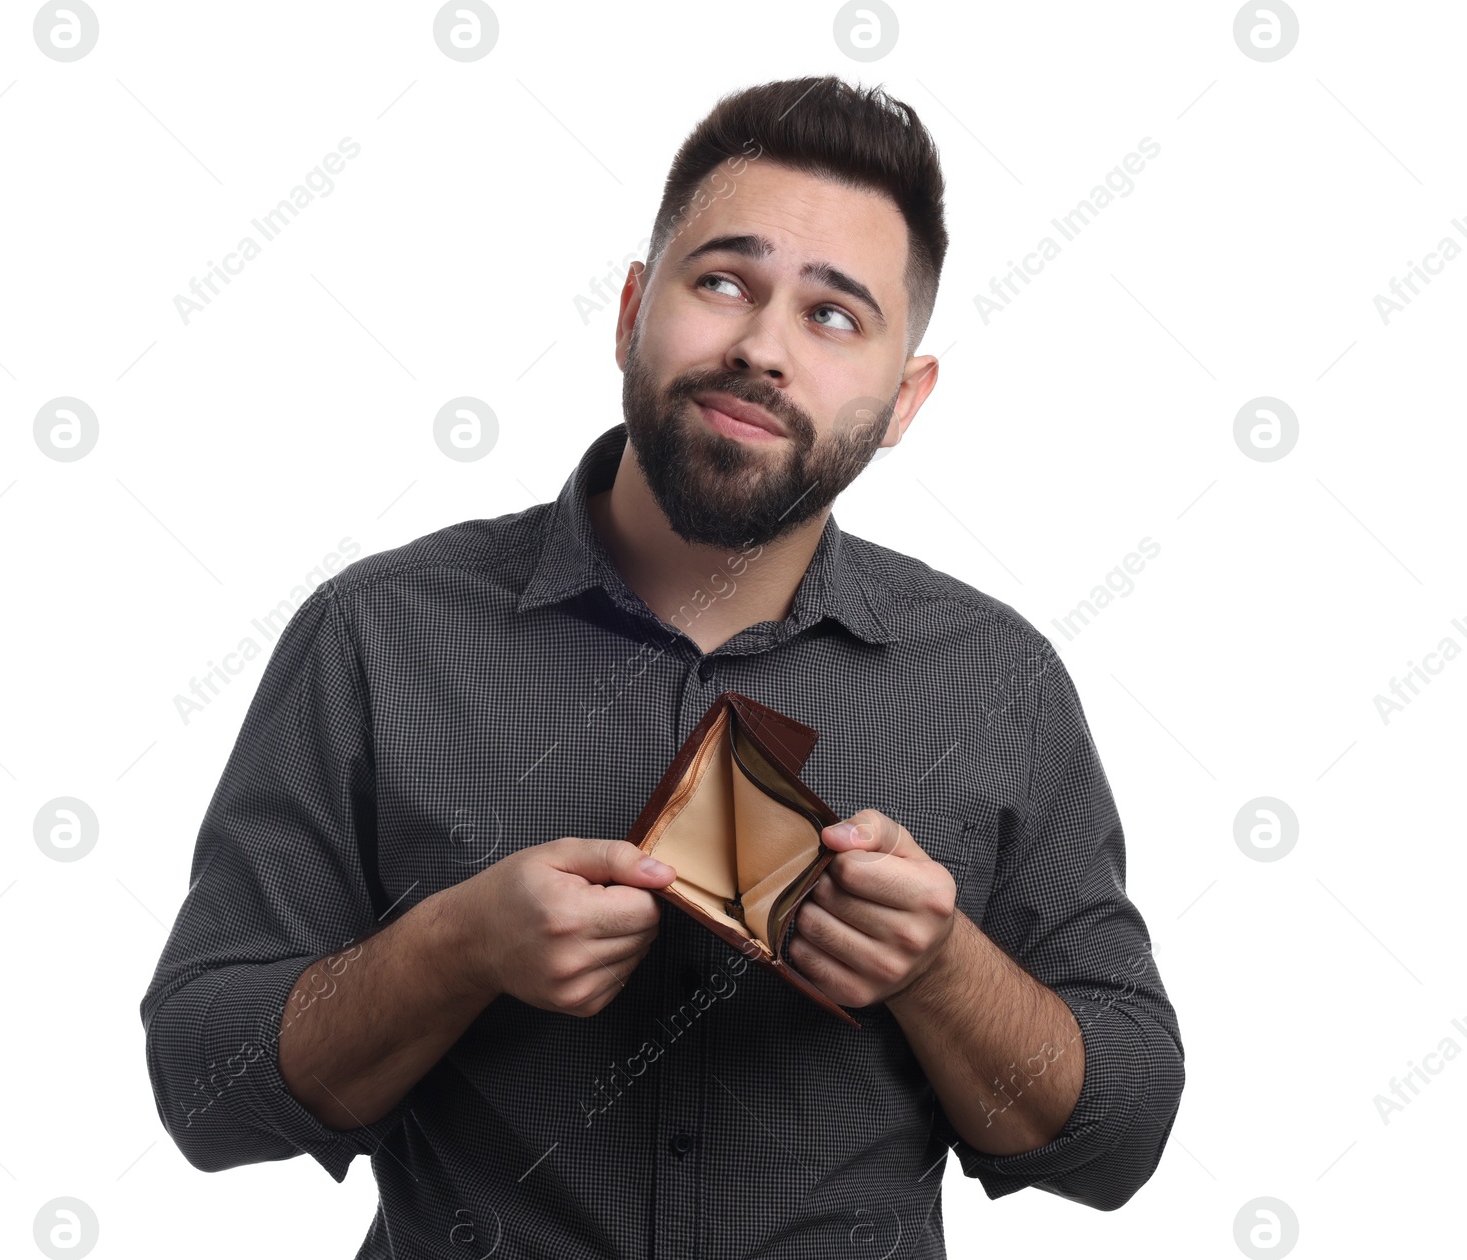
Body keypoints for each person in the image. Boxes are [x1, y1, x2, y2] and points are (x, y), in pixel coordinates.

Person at [140, 74, 1184, 1259]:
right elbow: (202, 1089)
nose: (760, 348)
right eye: (723, 281)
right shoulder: (378, 632)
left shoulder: (998, 679)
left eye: (834, 315)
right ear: (633, 307)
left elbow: (1122, 1134)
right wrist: (454, 947)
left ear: (904, 399)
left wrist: (942, 970)